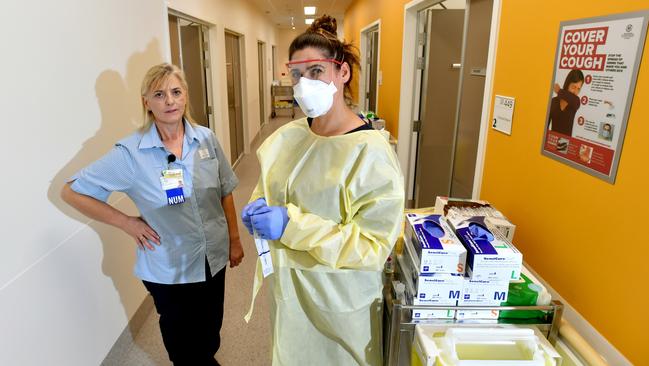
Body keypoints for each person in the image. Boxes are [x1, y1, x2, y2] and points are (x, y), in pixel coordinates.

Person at [241, 15, 404, 366]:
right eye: (296, 74)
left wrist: (291, 225)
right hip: (290, 293)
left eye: (316, 71)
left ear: (341, 72)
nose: (303, 84)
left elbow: (372, 246)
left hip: (339, 303)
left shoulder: (370, 153)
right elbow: (268, 187)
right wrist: (257, 208)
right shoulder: (290, 137)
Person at [61, 63, 242, 366]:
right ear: (146, 102)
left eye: (175, 92)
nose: (169, 101)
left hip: (212, 256)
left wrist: (234, 240)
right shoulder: (131, 153)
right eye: (159, 94)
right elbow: (71, 192)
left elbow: (225, 189)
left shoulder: (206, 139)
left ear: (186, 96)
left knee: (210, 331)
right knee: (184, 345)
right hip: (168, 267)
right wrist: (126, 222)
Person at [548, 69, 584, 136]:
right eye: (573, 87)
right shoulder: (554, 101)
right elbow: (546, 126)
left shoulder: (575, 102)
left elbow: (574, 100)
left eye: (578, 89)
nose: (575, 92)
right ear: (567, 84)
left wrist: (559, 91)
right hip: (551, 143)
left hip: (567, 144)